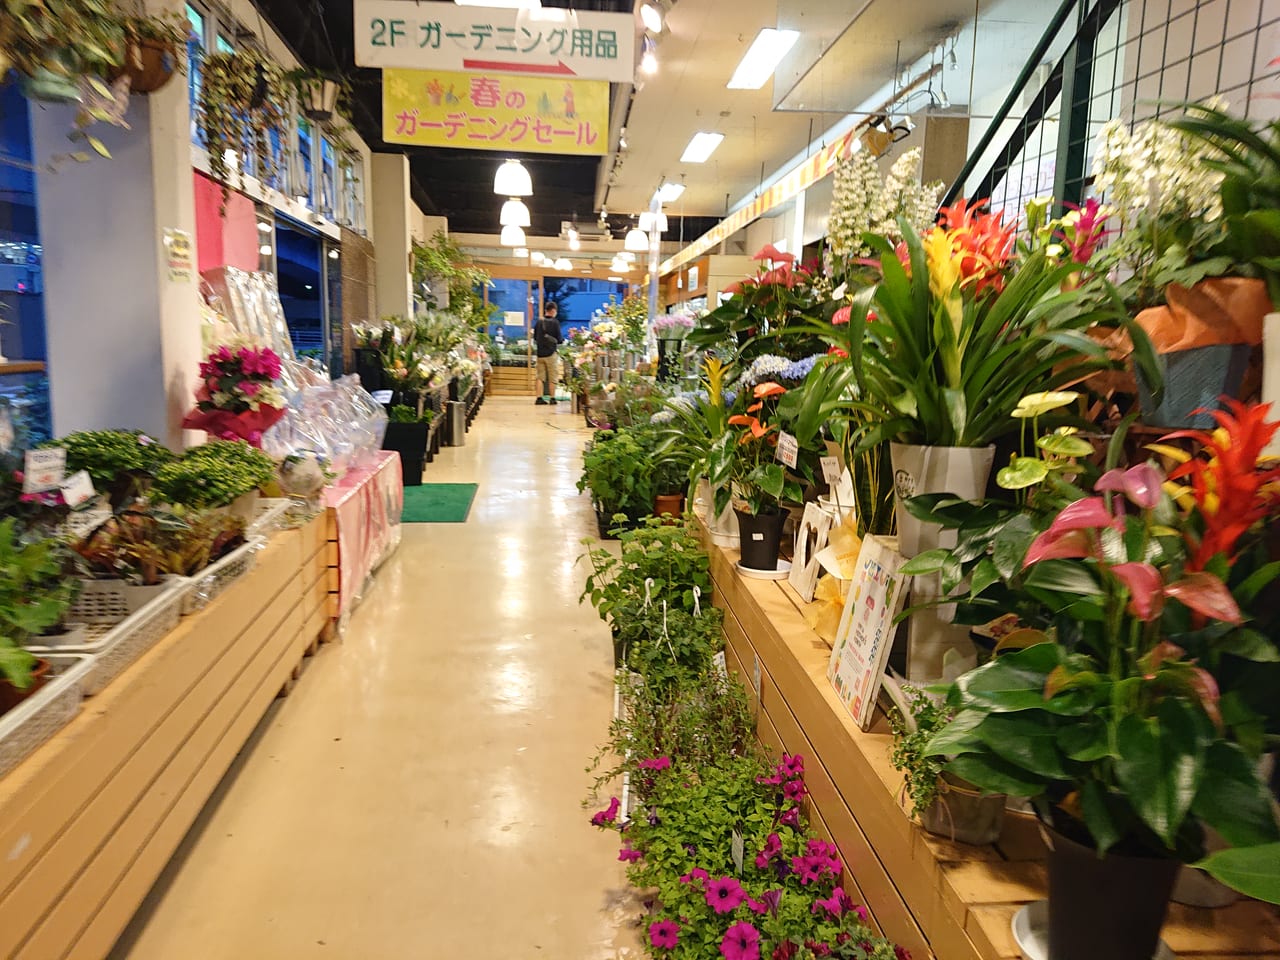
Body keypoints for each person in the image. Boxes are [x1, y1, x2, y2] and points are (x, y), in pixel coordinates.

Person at [533, 301, 563, 405]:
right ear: (553, 311)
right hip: (551, 354)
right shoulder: (555, 322)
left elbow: (535, 337)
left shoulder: (539, 322)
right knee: (552, 376)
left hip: (540, 354)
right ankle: (552, 398)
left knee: (540, 377)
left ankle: (539, 398)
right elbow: (559, 339)